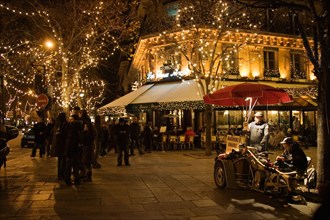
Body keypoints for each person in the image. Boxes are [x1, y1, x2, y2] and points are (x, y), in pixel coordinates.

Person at [64, 114, 83, 186]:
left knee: (69, 166)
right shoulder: (80, 127)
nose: (70, 120)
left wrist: (67, 150)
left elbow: (70, 140)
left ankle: (67, 180)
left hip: (71, 149)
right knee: (76, 166)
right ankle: (77, 180)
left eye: (71, 119)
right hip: (77, 150)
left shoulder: (72, 128)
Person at [51, 112, 69, 181]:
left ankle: (59, 175)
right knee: (63, 161)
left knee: (60, 161)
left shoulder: (56, 125)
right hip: (62, 145)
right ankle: (62, 175)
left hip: (57, 145)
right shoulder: (64, 124)